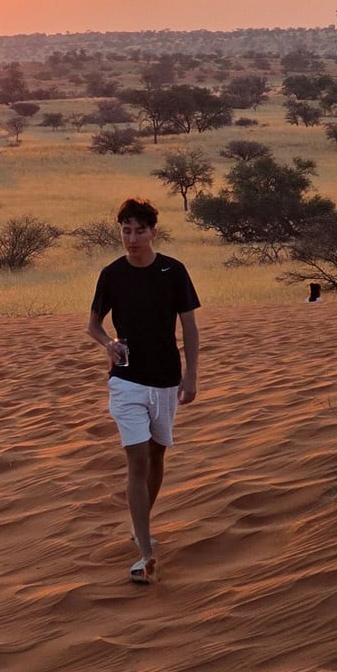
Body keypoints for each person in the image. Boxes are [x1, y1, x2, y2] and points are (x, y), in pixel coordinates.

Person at [85, 197, 200, 585]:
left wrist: (192, 377)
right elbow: (94, 325)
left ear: (154, 232)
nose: (131, 238)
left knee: (156, 455)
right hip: (126, 380)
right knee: (136, 460)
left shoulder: (174, 271)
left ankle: (141, 524)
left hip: (166, 380)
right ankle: (146, 552)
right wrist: (108, 344)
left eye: (139, 230)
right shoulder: (112, 274)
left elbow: (190, 328)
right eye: (126, 230)